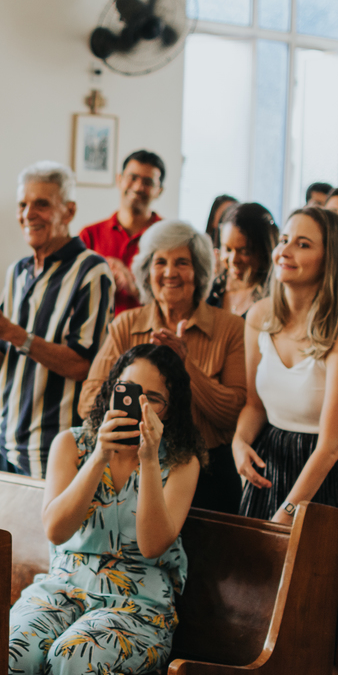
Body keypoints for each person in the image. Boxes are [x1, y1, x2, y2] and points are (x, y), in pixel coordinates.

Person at [7, 344, 202, 675]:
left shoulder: (180, 461)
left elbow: (152, 544)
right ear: (113, 390)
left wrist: (148, 458)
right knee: (16, 645)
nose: (139, 406)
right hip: (63, 588)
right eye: (129, 393)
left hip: (138, 605)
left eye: (154, 400)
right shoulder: (73, 444)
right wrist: (99, 455)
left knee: (76, 655)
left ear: (171, 409)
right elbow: (56, 529)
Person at [232, 205, 338, 666]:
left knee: (320, 616)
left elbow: (332, 443)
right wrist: (240, 442)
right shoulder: (259, 316)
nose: (286, 251)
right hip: (273, 457)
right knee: (259, 607)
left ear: (329, 257)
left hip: (331, 471)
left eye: (303, 243)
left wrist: (288, 513)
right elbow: (254, 405)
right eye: (285, 240)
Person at [80, 220, 245, 513]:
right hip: (132, 470)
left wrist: (186, 366)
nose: (170, 273)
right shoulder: (126, 325)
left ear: (200, 272)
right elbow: (88, 402)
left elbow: (233, 414)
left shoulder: (230, 328)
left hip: (209, 474)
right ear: (146, 272)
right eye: (160, 262)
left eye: (182, 262)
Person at [0, 161, 114, 478]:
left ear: (68, 212)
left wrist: (14, 333)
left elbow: (81, 365)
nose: (28, 213)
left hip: (51, 453)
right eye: (23, 204)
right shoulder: (17, 271)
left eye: (41, 204)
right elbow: (7, 365)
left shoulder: (92, 271)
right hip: (0, 444)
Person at [79, 150, 166, 314]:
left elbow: (178, 300)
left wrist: (134, 288)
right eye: (132, 178)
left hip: (152, 335)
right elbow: (72, 293)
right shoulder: (89, 235)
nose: (138, 187)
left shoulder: (169, 237)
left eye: (148, 182)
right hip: (98, 336)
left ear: (159, 190)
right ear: (119, 180)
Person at [205, 202, 278, 318]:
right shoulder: (212, 290)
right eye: (228, 249)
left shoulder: (274, 300)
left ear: (264, 251)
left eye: (245, 252)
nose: (234, 260)